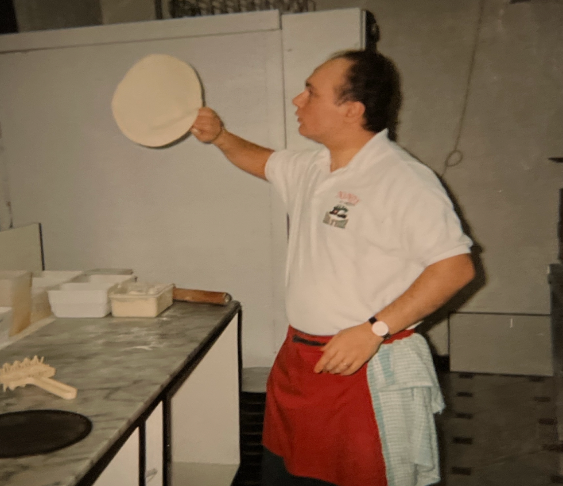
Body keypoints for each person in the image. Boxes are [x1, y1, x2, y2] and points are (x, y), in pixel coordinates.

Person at [190, 49, 476, 486]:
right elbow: (263, 161)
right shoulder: (312, 167)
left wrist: (373, 330)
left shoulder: (401, 177)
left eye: (310, 92)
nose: (297, 101)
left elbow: (455, 268)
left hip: (360, 369)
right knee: (284, 476)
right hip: (298, 362)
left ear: (351, 110)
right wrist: (220, 136)